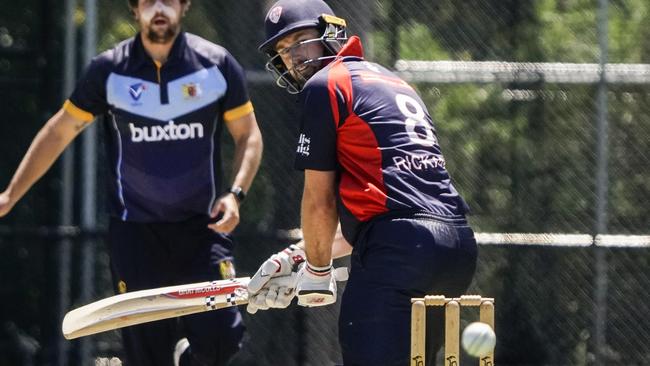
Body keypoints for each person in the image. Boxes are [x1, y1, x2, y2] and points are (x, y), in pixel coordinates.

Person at [0, 0, 263, 365]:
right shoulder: (108, 70)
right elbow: (60, 131)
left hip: (203, 231)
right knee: (146, 353)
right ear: (134, 10)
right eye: (148, 1)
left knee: (222, 339)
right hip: (135, 233)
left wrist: (235, 194)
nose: (159, 8)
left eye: (168, 1)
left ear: (184, 6)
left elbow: (249, 135)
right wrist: (10, 195)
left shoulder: (216, 64)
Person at [246, 0, 478, 365]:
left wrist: (318, 270)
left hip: (399, 254)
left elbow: (319, 200)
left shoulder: (325, 86)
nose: (293, 56)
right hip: (456, 250)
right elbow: (384, 214)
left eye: (301, 40)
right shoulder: (390, 80)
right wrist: (298, 256)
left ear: (328, 35)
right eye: (283, 50)